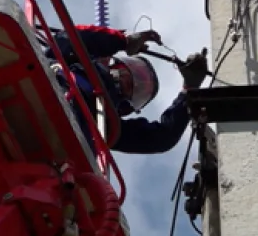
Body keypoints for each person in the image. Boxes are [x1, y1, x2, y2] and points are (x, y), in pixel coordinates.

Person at [41, 24, 208, 154]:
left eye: (141, 92)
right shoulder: (70, 62)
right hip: (45, 85)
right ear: (117, 64)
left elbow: (163, 137)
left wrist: (189, 90)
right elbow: (69, 37)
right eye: (136, 73)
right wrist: (123, 41)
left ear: (129, 106)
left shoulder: (106, 124)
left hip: (66, 136)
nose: (135, 83)